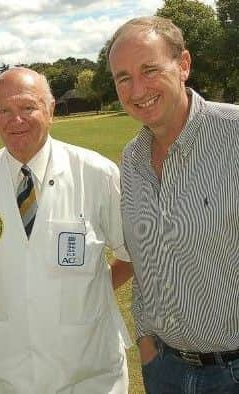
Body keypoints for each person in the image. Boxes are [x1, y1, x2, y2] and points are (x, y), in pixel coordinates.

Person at [0, 66, 133, 393]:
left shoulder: (97, 173)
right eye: (4, 111)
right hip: (6, 371)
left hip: (88, 370)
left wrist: (88, 295)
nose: (16, 120)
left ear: (50, 110)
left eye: (28, 107)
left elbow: (130, 254)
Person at [108, 16, 239, 393]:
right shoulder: (131, 159)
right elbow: (143, 258)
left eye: (150, 69)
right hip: (164, 370)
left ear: (183, 65)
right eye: (123, 78)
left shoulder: (233, 135)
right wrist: (147, 345)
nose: (137, 89)